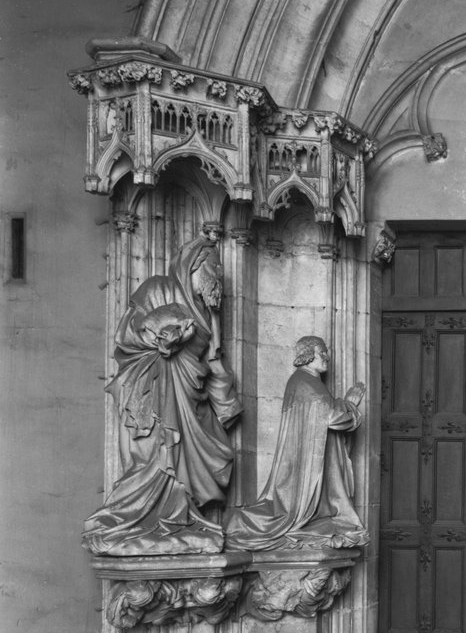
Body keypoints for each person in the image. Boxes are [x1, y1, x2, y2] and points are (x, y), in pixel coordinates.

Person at [84, 237, 242, 555]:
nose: (219, 277)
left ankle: (179, 520)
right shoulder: (158, 289)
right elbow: (129, 335)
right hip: (155, 388)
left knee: (207, 455)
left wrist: (227, 404)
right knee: (157, 457)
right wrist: (166, 338)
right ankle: (131, 522)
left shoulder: (207, 312)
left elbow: (212, 360)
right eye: (215, 268)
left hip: (190, 397)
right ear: (196, 265)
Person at [225, 336, 367, 550]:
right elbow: (333, 417)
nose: (326, 357)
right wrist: (350, 405)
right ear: (308, 355)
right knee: (296, 519)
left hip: (308, 465)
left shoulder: (306, 382)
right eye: (322, 352)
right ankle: (241, 522)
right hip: (304, 470)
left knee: (330, 521)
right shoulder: (306, 382)